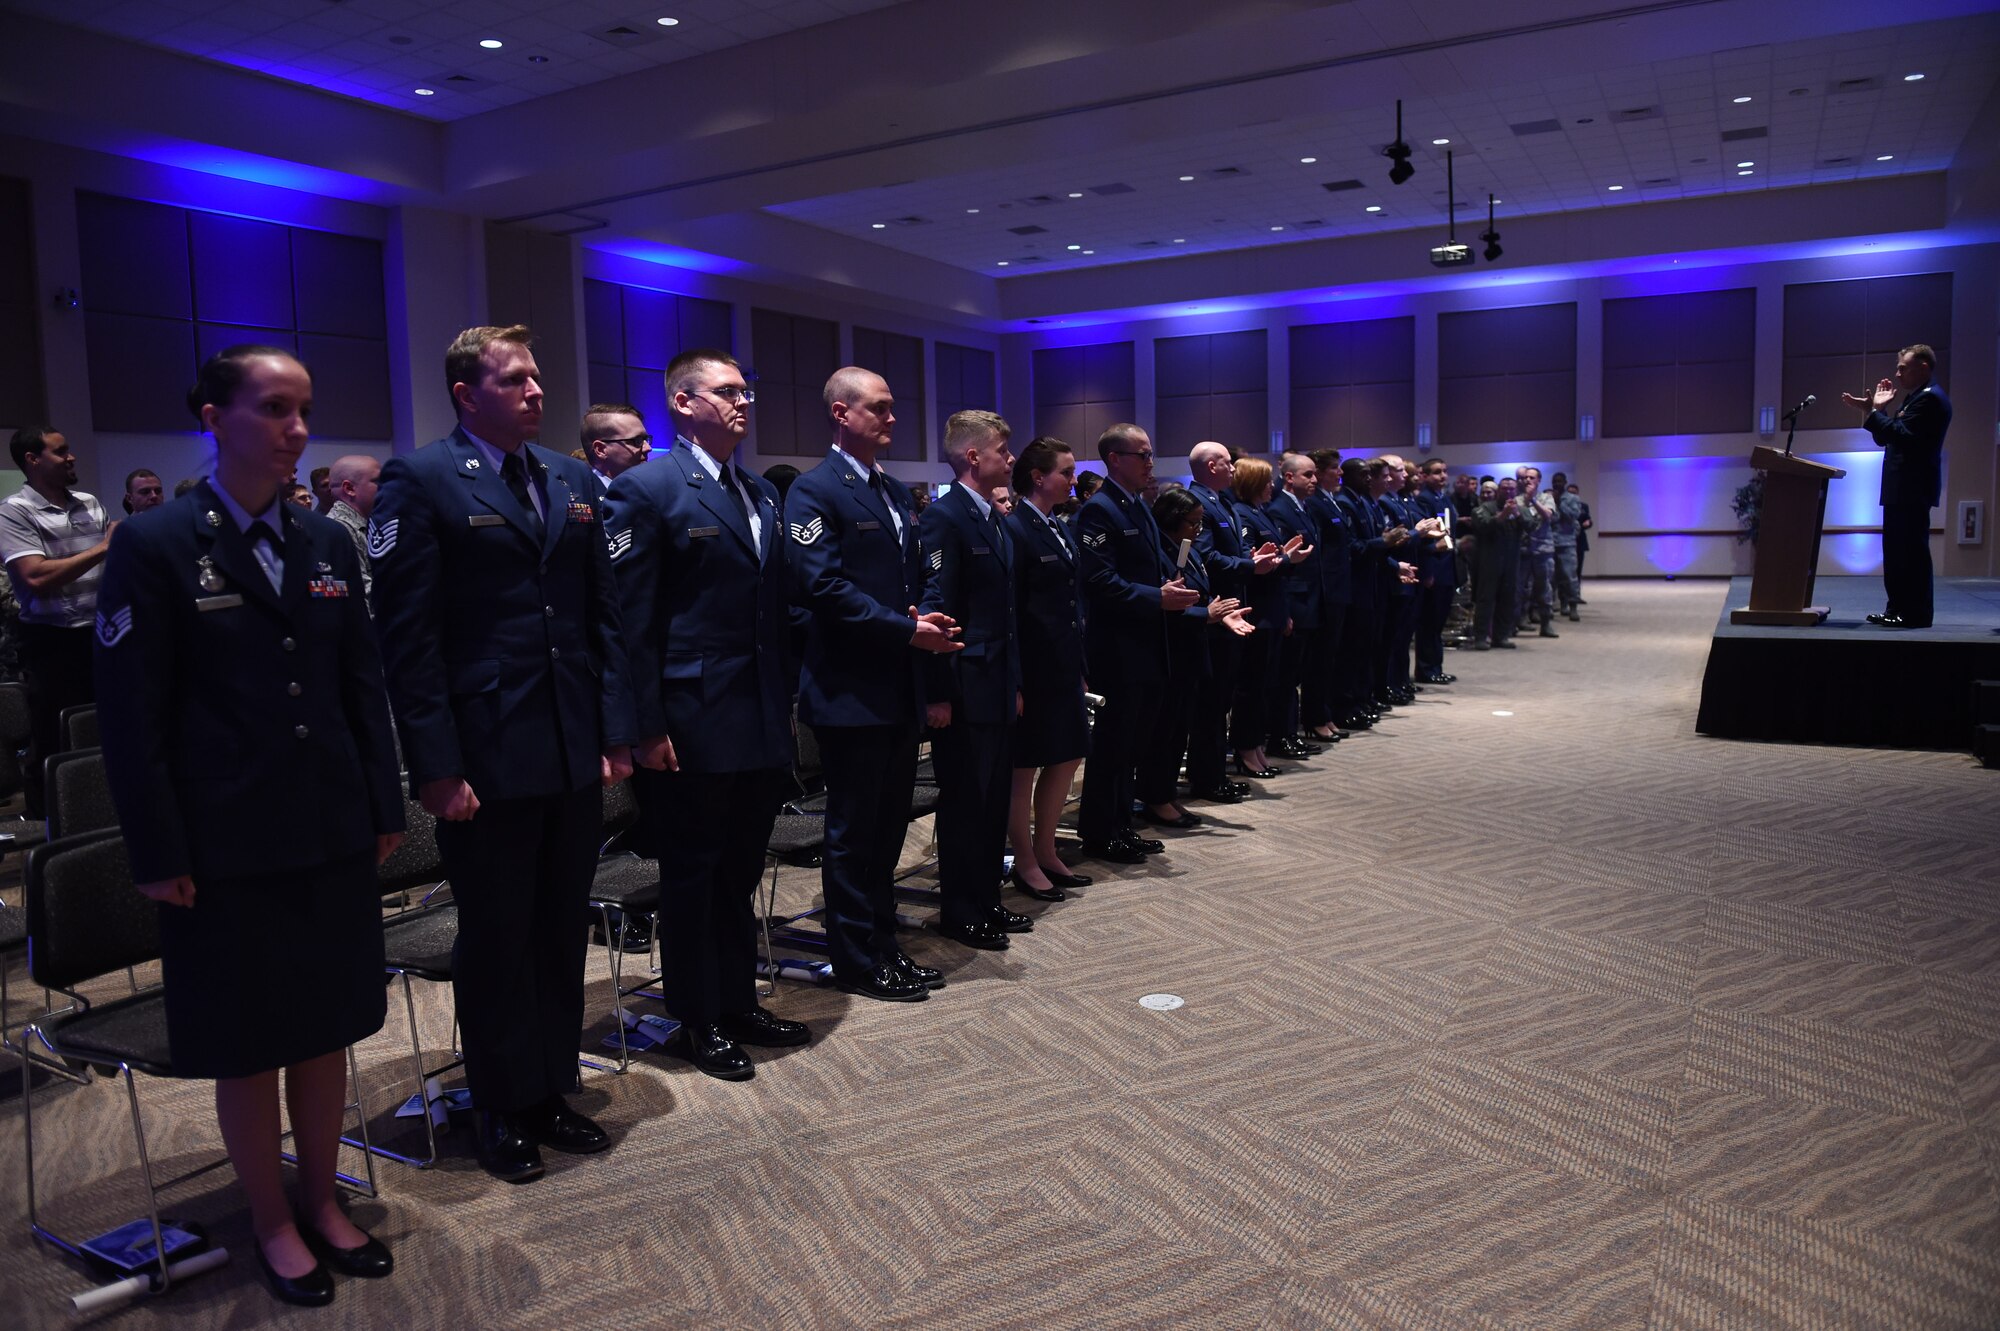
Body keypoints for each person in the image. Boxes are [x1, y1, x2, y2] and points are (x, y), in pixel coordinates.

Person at [94, 345, 405, 1306]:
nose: (297, 430)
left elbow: (361, 683)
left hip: (328, 828)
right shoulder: (154, 544)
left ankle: (323, 1197)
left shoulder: (324, 542)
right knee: (250, 1038)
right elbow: (131, 715)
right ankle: (270, 1216)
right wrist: (156, 851)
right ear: (210, 416)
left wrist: (383, 806)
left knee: (325, 1028)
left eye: (304, 410)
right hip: (225, 842)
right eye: (274, 409)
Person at [370, 324, 638, 1184]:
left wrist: (610, 730)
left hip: (567, 745)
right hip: (485, 753)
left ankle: (550, 1087)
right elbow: (408, 640)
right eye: (516, 378)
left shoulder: (566, 476)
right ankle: (497, 1103)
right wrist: (437, 767)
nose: (535, 390)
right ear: (465, 393)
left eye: (536, 376)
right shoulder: (424, 477)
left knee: (561, 927)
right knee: (497, 937)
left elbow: (601, 617)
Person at [606, 349, 807, 1081]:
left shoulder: (757, 491)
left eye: (746, 391)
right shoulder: (649, 488)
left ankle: (737, 999)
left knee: (739, 872)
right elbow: (632, 622)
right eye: (727, 392)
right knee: (693, 877)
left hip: (755, 713)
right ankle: (697, 1017)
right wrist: (646, 724)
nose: (743, 402)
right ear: (683, 402)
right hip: (688, 717)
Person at [786, 366, 962, 1002]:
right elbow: (822, 588)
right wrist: (904, 629)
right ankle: (858, 957)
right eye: (880, 409)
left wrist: (924, 617)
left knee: (889, 830)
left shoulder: (890, 490)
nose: (892, 419)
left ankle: (883, 944)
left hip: (896, 685)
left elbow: (914, 577)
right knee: (856, 831)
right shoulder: (815, 492)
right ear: (841, 413)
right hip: (851, 691)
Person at [918, 411, 1031, 948]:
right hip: (963, 688)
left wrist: (1014, 683)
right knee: (965, 803)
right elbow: (937, 608)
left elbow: (1004, 612)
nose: (1010, 459)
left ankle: (987, 899)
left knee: (991, 802)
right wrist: (938, 692)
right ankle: (960, 910)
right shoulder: (946, 517)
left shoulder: (991, 516)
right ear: (973, 457)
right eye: (1003, 449)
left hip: (996, 682)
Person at [1073, 424, 1197, 862]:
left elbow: (1150, 569)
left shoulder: (1138, 506)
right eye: (1142, 455)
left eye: (1150, 454)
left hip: (1148, 643)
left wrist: (1170, 590)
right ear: (1114, 459)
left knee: (1134, 744)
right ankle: (1100, 832)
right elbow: (1099, 580)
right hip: (1119, 648)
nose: (1150, 462)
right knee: (1113, 745)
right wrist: (1156, 597)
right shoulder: (1099, 510)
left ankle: (1121, 824)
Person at [1, 427, 114, 818]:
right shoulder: (15, 510)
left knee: (104, 733)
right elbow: (35, 578)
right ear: (32, 460)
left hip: (100, 637)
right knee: (54, 738)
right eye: (60, 452)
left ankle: (102, 820)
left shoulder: (89, 503)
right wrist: (103, 548)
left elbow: (109, 566)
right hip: (52, 643)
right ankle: (49, 834)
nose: (72, 457)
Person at [1003, 437, 1092, 898]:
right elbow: (1012, 614)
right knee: (1026, 767)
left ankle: (1046, 846)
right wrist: (1015, 679)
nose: (1073, 480)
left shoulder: (1059, 526)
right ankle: (1024, 858)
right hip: (1034, 669)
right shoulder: (1016, 528)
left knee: (1067, 756)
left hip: (1061, 665)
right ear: (1039, 477)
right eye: (1066, 472)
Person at [1138, 486, 1254, 828]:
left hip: (1191, 652)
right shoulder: (1160, 553)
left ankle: (1167, 794)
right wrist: (1207, 615)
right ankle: (1156, 798)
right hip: (1170, 653)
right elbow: (1166, 607)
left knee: (1179, 729)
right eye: (1193, 523)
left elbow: (1198, 595)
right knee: (1164, 732)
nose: (1198, 530)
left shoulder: (1187, 549)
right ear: (1173, 520)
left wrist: (1218, 613)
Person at [1185, 442, 1276, 802]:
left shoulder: (1220, 501)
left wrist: (1250, 559)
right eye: (1227, 463)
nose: (1234, 469)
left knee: (1221, 698)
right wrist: (1248, 565)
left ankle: (1213, 773)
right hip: (1216, 611)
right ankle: (1207, 778)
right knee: (1212, 702)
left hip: (1232, 610)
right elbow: (1204, 555)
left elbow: (1229, 553)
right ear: (1211, 466)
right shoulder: (1198, 503)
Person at [1843, 343, 1951, 628]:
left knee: (1911, 554)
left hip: (1912, 489)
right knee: (1896, 553)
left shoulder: (1930, 399)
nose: (1897, 373)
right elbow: (1886, 438)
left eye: (1903, 367)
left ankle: (1914, 613)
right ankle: (1896, 609)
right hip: (1900, 489)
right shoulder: (1913, 399)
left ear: (1923, 367)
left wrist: (1876, 414)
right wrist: (1877, 411)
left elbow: (1905, 437)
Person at [1227, 457, 1294, 778]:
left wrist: (1286, 558)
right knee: (1251, 687)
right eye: (1266, 481)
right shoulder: (1242, 514)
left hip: (1273, 609)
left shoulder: (1260, 511)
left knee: (1265, 685)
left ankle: (1256, 746)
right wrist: (1280, 559)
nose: (1272, 486)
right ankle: (1245, 747)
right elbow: (1250, 565)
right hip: (1257, 611)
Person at [1412, 459, 1459, 683]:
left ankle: (1436, 667)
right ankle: (1426, 669)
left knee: (1438, 621)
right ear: (1425, 476)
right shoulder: (1425, 499)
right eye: (1437, 472)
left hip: (1447, 565)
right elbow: (1426, 538)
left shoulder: (1444, 498)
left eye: (1444, 471)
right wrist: (1427, 572)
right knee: (1429, 622)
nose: (1442, 476)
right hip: (1434, 566)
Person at [1470, 479, 1529, 649]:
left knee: (1508, 598)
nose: (1508, 492)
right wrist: (1503, 514)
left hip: (1512, 560)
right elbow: (1483, 525)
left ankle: (1501, 636)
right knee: (1485, 599)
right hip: (1489, 560)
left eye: (1511, 489)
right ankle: (1480, 637)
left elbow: (1531, 525)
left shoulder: (1520, 509)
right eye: (1504, 489)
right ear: (1499, 491)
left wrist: (1516, 514)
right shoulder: (1485, 508)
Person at [324, 454, 381, 604]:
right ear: (349, 488)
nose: (385, 487)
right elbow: (363, 593)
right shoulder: (339, 528)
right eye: (377, 481)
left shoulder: (367, 522)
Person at [582, 403, 652, 492]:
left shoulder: (649, 492)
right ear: (601, 450)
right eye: (637, 440)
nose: (648, 448)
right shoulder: (586, 497)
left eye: (645, 439)